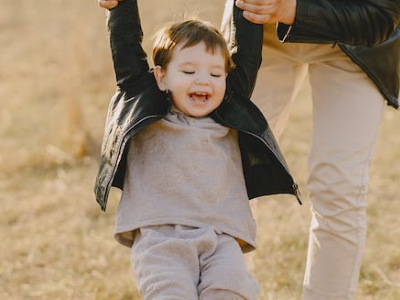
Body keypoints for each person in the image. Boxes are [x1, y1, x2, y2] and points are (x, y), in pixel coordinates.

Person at [94, 0, 300, 299]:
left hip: (221, 239)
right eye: (189, 71)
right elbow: (125, 44)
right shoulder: (147, 106)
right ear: (161, 77)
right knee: (172, 293)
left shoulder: (230, 111)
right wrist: (120, 6)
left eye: (215, 74)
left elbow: (248, 51)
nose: (204, 79)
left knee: (232, 290)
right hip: (160, 239)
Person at [227, 0, 400, 300]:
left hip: (354, 38)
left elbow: (383, 14)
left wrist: (292, 9)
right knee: (226, 173)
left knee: (339, 186)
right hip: (260, 27)